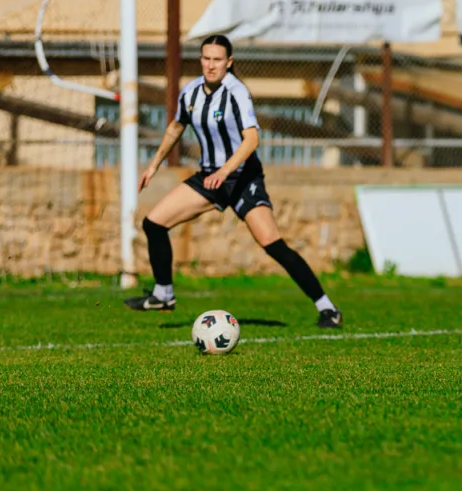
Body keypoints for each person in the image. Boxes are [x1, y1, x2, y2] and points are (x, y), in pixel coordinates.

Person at [124, 34, 343, 328]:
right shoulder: (190, 93)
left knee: (272, 243)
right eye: (206, 58)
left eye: (217, 60)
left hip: (241, 178)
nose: (210, 65)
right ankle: (164, 294)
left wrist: (225, 172)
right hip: (210, 177)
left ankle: (328, 308)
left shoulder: (236, 92)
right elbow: (176, 127)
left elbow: (251, 139)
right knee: (153, 223)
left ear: (229, 62)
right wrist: (153, 165)